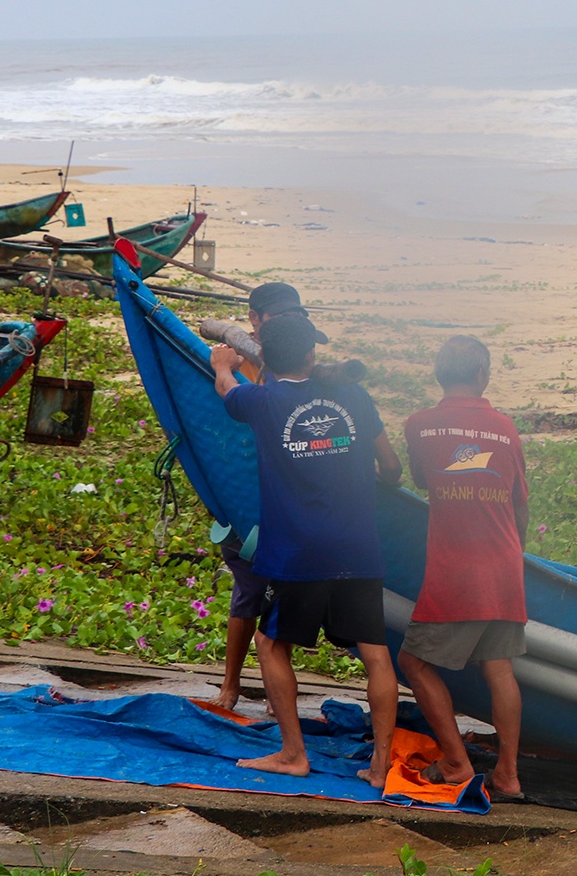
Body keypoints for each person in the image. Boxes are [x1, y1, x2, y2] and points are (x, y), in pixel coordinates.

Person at [210, 312, 401, 785]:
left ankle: (294, 754)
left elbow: (227, 389)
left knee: (271, 643)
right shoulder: (353, 395)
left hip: (297, 553)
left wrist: (221, 362)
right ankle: (380, 766)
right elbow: (392, 467)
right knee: (376, 653)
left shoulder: (264, 399)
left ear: (266, 359)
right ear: (313, 353)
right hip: (357, 546)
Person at [396, 335, 530, 800]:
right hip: (504, 562)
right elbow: (519, 504)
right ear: (482, 375)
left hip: (456, 568)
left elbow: (419, 478)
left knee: (413, 661)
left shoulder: (420, 425)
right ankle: (508, 776)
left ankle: (455, 762)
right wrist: (515, 556)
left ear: (439, 375)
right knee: (499, 668)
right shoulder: (506, 428)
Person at [214, 281, 328, 711]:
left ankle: (275, 695)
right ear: (256, 321)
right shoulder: (250, 362)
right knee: (246, 588)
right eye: (276, 317)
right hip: (248, 492)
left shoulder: (299, 366)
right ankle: (230, 686)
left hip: (290, 499)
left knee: (280, 604)